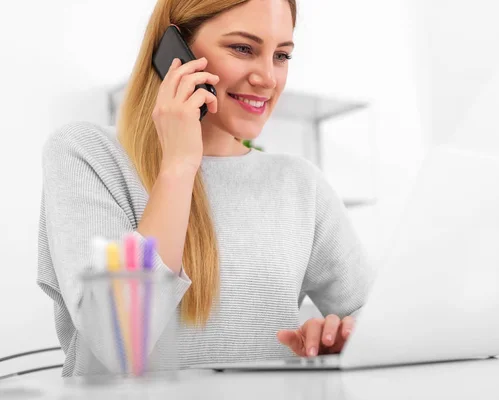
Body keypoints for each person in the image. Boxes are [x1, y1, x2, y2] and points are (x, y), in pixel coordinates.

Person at [38, 0, 373, 377]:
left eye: (281, 55)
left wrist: (343, 337)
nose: (268, 77)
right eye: (243, 48)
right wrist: (179, 166)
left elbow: (379, 316)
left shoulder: (300, 184)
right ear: (174, 50)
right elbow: (116, 342)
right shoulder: (87, 154)